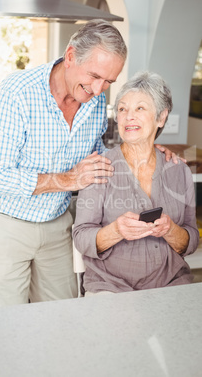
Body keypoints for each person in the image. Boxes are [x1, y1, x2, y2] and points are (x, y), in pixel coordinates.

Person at [0, 20, 179, 307]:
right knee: (8, 326)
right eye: (94, 76)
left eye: (108, 81)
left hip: (57, 223)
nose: (98, 89)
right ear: (70, 57)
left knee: (64, 318)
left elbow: (98, 158)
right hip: (5, 224)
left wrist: (145, 151)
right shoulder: (17, 93)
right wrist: (69, 180)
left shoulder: (94, 102)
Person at [73, 71, 199, 296]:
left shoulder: (179, 170)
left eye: (140, 108)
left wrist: (170, 230)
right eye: (122, 109)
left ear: (161, 117)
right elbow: (82, 237)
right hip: (109, 286)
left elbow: (190, 241)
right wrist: (116, 230)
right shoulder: (99, 168)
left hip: (170, 282)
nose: (128, 116)